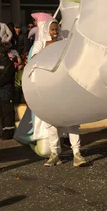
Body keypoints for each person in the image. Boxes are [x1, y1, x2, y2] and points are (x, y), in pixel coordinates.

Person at [31, 19, 87, 168]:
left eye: (56, 30)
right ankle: (55, 154)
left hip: (63, 87)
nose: (55, 33)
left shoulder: (64, 42)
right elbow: (33, 59)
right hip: (48, 88)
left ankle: (77, 154)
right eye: (52, 30)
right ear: (47, 31)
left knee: (72, 120)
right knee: (50, 122)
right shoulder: (40, 43)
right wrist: (49, 48)